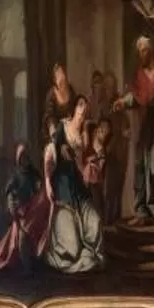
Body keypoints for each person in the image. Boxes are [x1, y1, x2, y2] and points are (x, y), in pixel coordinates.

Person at [115, 35, 154, 224]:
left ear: (151, 52)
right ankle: (142, 212)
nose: (141, 55)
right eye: (139, 51)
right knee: (139, 165)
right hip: (146, 124)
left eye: (144, 50)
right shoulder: (139, 75)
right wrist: (122, 102)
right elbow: (136, 97)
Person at [44, 99, 105, 273]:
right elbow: (50, 157)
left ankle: (91, 255)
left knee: (96, 223)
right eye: (80, 106)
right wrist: (48, 183)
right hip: (62, 186)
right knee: (71, 246)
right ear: (74, 109)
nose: (83, 110)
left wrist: (92, 163)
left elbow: (90, 155)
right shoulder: (62, 128)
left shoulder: (86, 133)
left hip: (79, 186)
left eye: (86, 107)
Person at [0, 137, 51, 272]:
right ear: (18, 159)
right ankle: (26, 268)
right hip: (21, 213)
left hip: (33, 212)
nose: (24, 160)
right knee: (21, 238)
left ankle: (37, 261)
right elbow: (10, 195)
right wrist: (15, 210)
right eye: (22, 157)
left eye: (26, 157)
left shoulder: (33, 172)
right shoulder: (15, 175)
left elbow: (39, 187)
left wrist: (38, 186)